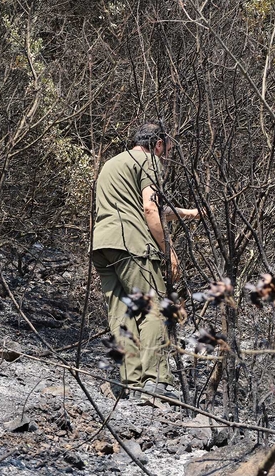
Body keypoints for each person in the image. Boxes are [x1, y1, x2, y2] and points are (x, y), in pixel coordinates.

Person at [92, 121, 200, 403]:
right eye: (167, 148)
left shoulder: (112, 164)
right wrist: (170, 251)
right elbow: (149, 208)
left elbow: (141, 206)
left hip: (103, 244)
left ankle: (131, 381)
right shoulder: (149, 160)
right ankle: (155, 381)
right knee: (152, 309)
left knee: (121, 313)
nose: (166, 155)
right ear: (159, 144)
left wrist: (188, 213)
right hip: (133, 245)